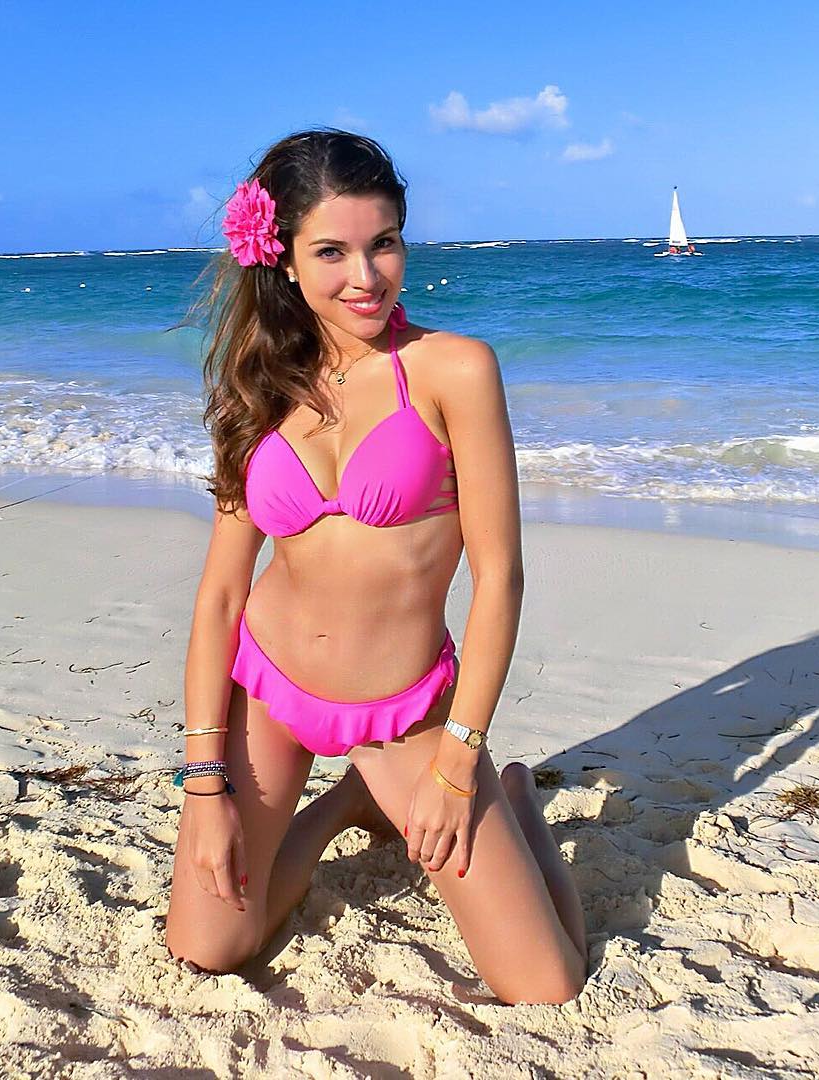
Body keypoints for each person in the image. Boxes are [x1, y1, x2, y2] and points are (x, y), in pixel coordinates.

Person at [164, 128, 588, 1005]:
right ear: (282, 259)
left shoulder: (454, 369)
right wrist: (205, 785)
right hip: (270, 687)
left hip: (404, 711)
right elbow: (221, 595)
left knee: (546, 985)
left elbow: (499, 577)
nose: (366, 275)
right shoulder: (257, 383)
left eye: (383, 243)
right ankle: (341, 807)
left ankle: (516, 801)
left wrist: (459, 762)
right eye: (332, 251)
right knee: (210, 949)